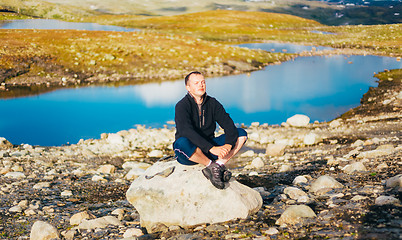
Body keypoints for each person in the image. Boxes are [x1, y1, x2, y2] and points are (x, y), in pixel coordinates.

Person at [173, 71, 248, 189]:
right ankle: (211, 165)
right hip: (191, 152)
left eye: (203, 82)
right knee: (181, 143)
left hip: (211, 148)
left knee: (241, 134)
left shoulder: (213, 103)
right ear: (188, 87)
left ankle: (218, 164)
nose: (201, 85)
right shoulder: (182, 105)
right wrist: (212, 148)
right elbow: (186, 131)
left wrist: (228, 145)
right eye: (196, 83)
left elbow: (229, 125)